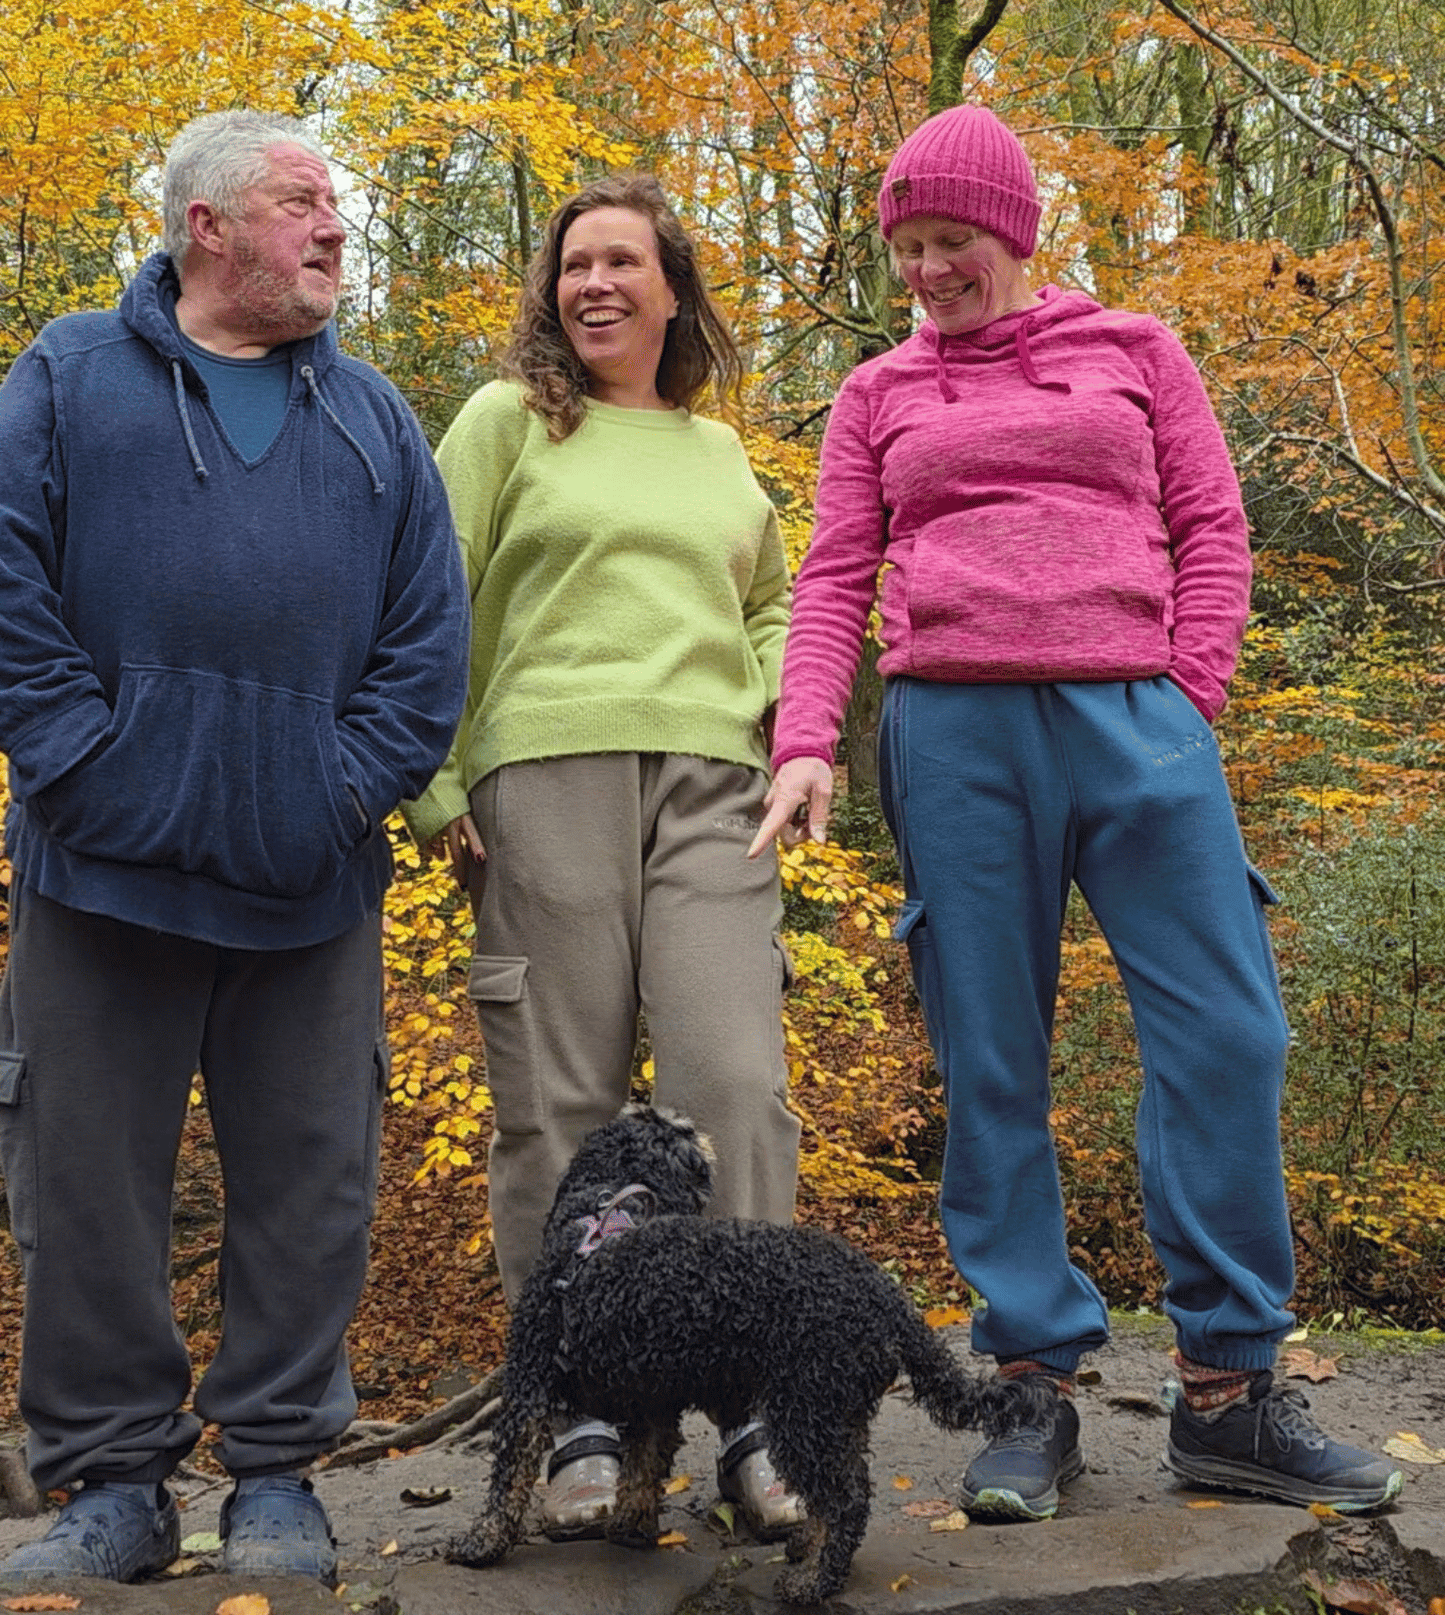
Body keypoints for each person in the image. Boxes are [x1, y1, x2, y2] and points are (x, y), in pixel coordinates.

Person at [751, 104, 1402, 1523]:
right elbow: (835, 573)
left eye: (953, 239)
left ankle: (1227, 1392)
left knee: (1229, 1032)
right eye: (908, 246)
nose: (929, 269)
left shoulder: (1136, 350)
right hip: (954, 734)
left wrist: (1186, 699)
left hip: (1136, 720)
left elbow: (1213, 525)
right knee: (992, 1054)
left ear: (1015, 231)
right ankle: (1030, 1387)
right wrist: (805, 742)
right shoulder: (877, 391)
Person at [0, 111, 470, 1586]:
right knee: (85, 1185)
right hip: (100, 873)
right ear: (204, 224)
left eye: (335, 204)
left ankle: (275, 1476)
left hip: (309, 882)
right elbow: (3, 577)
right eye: (300, 201)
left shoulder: (376, 418)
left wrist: (332, 794)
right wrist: (85, 766)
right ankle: (113, 1485)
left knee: (313, 1185)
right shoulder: (69, 376)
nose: (335, 226)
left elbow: (427, 647)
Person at [402, 171, 803, 1538]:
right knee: (558, 1105)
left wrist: (778, 715)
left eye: (624, 262)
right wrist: (434, 779)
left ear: (672, 290)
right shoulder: (506, 421)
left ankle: (751, 1413)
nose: (595, 285)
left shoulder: (715, 450)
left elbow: (778, 604)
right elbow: (423, 596)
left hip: (715, 788)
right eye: (575, 265)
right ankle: (578, 1416)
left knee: (734, 1084)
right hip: (542, 774)